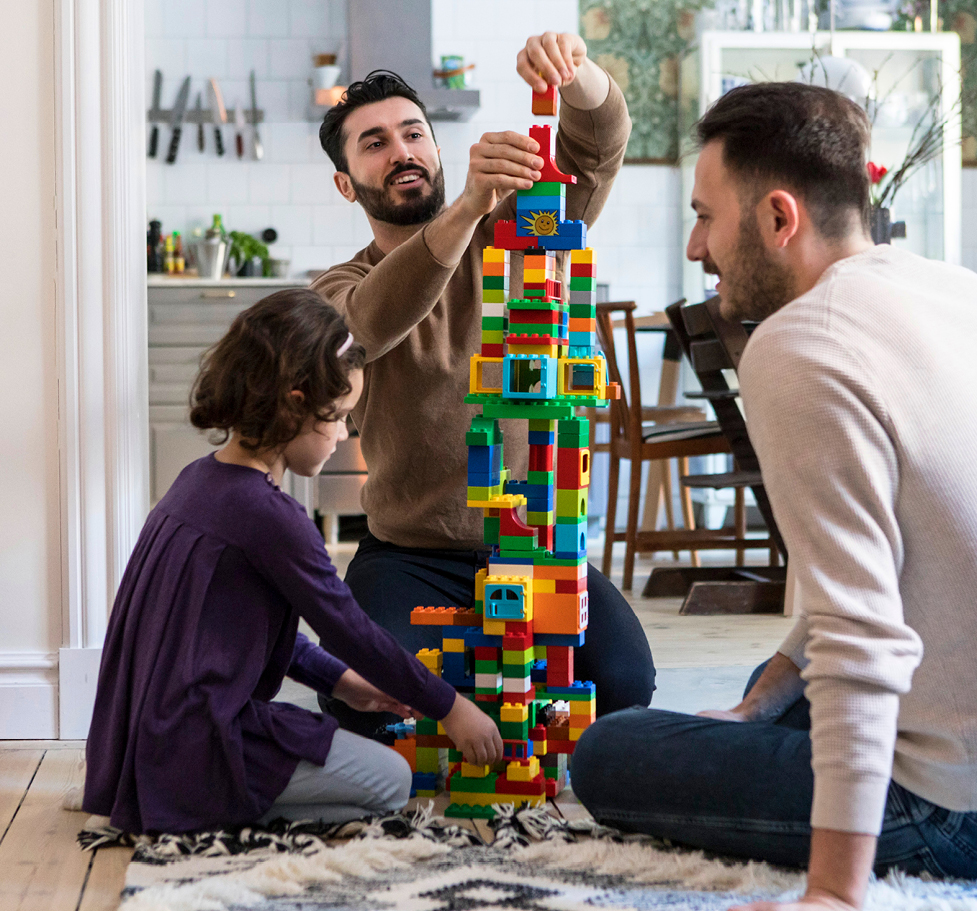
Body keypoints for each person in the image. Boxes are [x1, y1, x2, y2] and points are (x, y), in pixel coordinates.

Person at [570, 82, 977, 911]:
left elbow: (859, 634)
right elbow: (886, 548)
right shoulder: (952, 289)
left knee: (608, 748)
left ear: (778, 218)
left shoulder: (797, 346)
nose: (694, 245)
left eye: (705, 216)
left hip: (945, 805)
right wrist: (759, 706)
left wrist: (833, 891)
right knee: (773, 676)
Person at [310, 32, 655, 734]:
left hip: (533, 550)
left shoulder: (513, 241)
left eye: (413, 133)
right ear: (346, 184)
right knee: (355, 697)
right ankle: (458, 716)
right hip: (409, 555)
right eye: (374, 143)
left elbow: (598, 144)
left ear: (436, 151)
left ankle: (482, 713)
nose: (401, 150)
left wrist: (574, 72)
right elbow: (369, 326)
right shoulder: (338, 287)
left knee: (622, 686)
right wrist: (464, 209)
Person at [82, 290, 502, 834]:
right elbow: (350, 629)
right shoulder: (271, 515)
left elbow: (240, 632)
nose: (345, 436)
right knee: (392, 782)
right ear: (296, 405)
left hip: (142, 732)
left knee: (328, 744)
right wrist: (451, 707)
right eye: (340, 418)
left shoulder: (196, 480)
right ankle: (195, 806)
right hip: (198, 739)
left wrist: (344, 683)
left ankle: (166, 792)